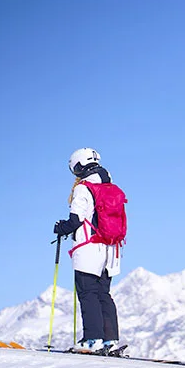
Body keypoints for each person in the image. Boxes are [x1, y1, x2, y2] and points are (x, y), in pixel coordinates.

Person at [53, 148, 125, 353]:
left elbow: (76, 220)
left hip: (88, 248)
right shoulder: (110, 186)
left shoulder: (83, 188)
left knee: (87, 292)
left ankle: (92, 339)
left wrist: (61, 228)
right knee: (103, 293)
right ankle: (110, 340)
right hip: (111, 248)